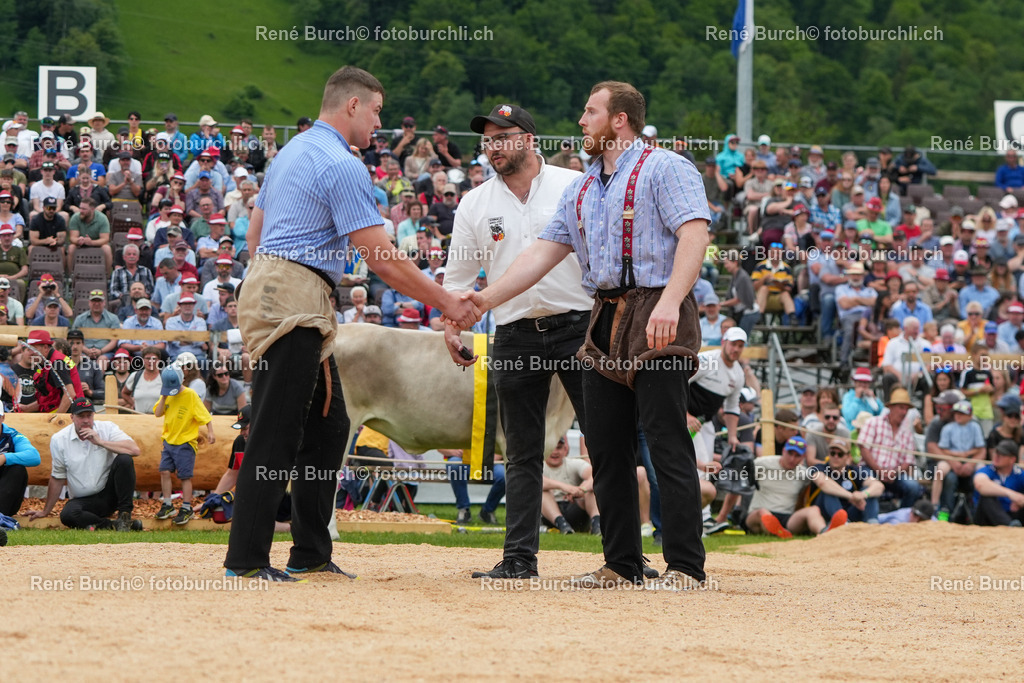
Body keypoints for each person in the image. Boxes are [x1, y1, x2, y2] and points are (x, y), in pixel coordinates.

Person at [225, 66, 478, 582]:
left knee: (329, 424)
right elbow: (381, 258)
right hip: (296, 297)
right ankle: (246, 560)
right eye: (378, 111)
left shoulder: (290, 152)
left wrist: (270, 279)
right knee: (275, 430)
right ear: (354, 106)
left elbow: (256, 230)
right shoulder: (342, 164)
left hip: (287, 291)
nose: (379, 124)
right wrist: (447, 303)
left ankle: (310, 551)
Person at [457, 80, 711, 590]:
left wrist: (667, 302)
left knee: (665, 441)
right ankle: (620, 564)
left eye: (590, 111)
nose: (581, 120)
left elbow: (695, 232)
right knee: (606, 446)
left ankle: (685, 567)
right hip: (603, 317)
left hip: (657, 309)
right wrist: (483, 300)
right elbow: (542, 255)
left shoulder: (666, 167)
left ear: (619, 120)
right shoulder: (582, 187)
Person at [438, 103, 592, 579]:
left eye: (502, 137)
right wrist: (451, 325)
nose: (492, 147)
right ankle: (519, 559)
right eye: (487, 140)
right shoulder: (474, 203)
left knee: (607, 441)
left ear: (528, 138)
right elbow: (460, 277)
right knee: (521, 451)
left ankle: (623, 558)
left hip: (581, 326)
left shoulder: (575, 184)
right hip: (514, 331)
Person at [25, 397, 142, 531]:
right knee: (67, 515)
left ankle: (125, 516)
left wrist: (101, 442)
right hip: (84, 500)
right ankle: (112, 526)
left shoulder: (107, 428)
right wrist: (45, 511)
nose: (86, 420)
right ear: (72, 417)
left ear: (94, 415)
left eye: (89, 415)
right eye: (81, 416)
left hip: (110, 495)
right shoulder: (59, 439)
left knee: (125, 459)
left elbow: (134, 450)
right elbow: (58, 477)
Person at [153, 366, 214, 525]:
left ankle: (186, 507)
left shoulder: (190, 395)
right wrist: (164, 397)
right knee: (164, 471)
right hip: (169, 441)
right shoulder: (167, 394)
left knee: (185, 476)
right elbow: (158, 413)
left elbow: (205, 416)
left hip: (186, 443)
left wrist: (211, 432)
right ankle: (168, 504)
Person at [857, 388, 923, 507]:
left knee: (913, 487)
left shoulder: (907, 432)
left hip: (894, 474)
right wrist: (879, 470)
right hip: (871, 469)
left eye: (906, 409)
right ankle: (870, 518)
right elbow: (864, 449)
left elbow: (908, 461)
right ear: (891, 407)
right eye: (901, 408)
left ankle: (901, 518)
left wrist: (894, 472)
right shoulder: (873, 422)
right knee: (871, 483)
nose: (904, 412)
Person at [744, 436, 812, 538]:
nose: (792, 459)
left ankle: (825, 531)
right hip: (758, 513)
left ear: (803, 457)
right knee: (763, 513)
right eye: (790, 453)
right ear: (784, 451)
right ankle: (778, 531)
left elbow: (803, 495)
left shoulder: (804, 474)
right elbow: (740, 484)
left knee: (813, 510)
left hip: (787, 517)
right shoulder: (761, 463)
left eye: (797, 455)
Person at [541, 435, 599, 535]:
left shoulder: (574, 463)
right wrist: (565, 487)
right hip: (548, 515)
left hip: (573, 508)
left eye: (558, 448)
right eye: (551, 448)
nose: (555, 452)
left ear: (565, 449)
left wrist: (582, 490)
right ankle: (562, 525)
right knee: (541, 492)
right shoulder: (538, 466)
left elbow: (594, 475)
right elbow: (534, 481)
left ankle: (597, 525)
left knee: (590, 491)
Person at [0, 401, 41, 516]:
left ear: (2, 418)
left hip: (4, 497)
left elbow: (34, 457)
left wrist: (4, 458)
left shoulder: (13, 435)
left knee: (18, 469)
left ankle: (1, 516)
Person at [972, 439, 1024, 526]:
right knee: (986, 497)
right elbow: (980, 484)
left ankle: (1012, 525)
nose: (997, 456)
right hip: (986, 518)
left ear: (1012, 459)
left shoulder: (1019, 473)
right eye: (996, 452)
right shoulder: (988, 470)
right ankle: (1010, 525)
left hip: (1013, 515)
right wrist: (1011, 494)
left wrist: (1020, 501)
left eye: (1002, 454)